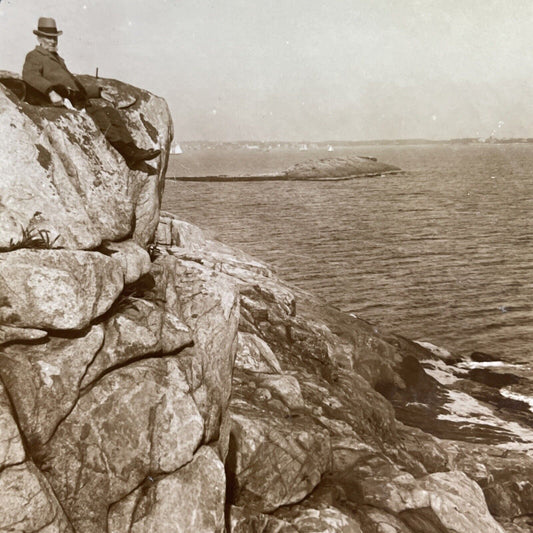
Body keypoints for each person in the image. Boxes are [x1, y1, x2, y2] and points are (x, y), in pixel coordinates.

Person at [22, 17, 160, 174]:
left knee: (111, 112)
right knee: (100, 115)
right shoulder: (34, 56)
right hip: (63, 101)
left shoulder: (57, 59)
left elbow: (75, 86)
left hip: (76, 98)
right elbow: (30, 76)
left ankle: (133, 150)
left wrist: (99, 92)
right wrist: (50, 91)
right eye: (48, 38)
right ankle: (129, 154)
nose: (52, 41)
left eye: (54, 38)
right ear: (39, 38)